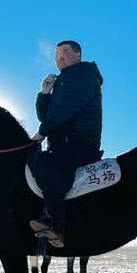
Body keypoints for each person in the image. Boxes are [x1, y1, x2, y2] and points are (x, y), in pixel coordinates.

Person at [29, 40, 103, 247]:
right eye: (56, 55)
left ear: (78, 54)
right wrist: (44, 93)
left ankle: (56, 226)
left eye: (65, 52)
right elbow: (45, 115)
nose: (58, 57)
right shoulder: (63, 81)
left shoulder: (83, 76)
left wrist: (41, 134)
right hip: (61, 145)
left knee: (49, 165)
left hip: (79, 143)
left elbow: (66, 110)